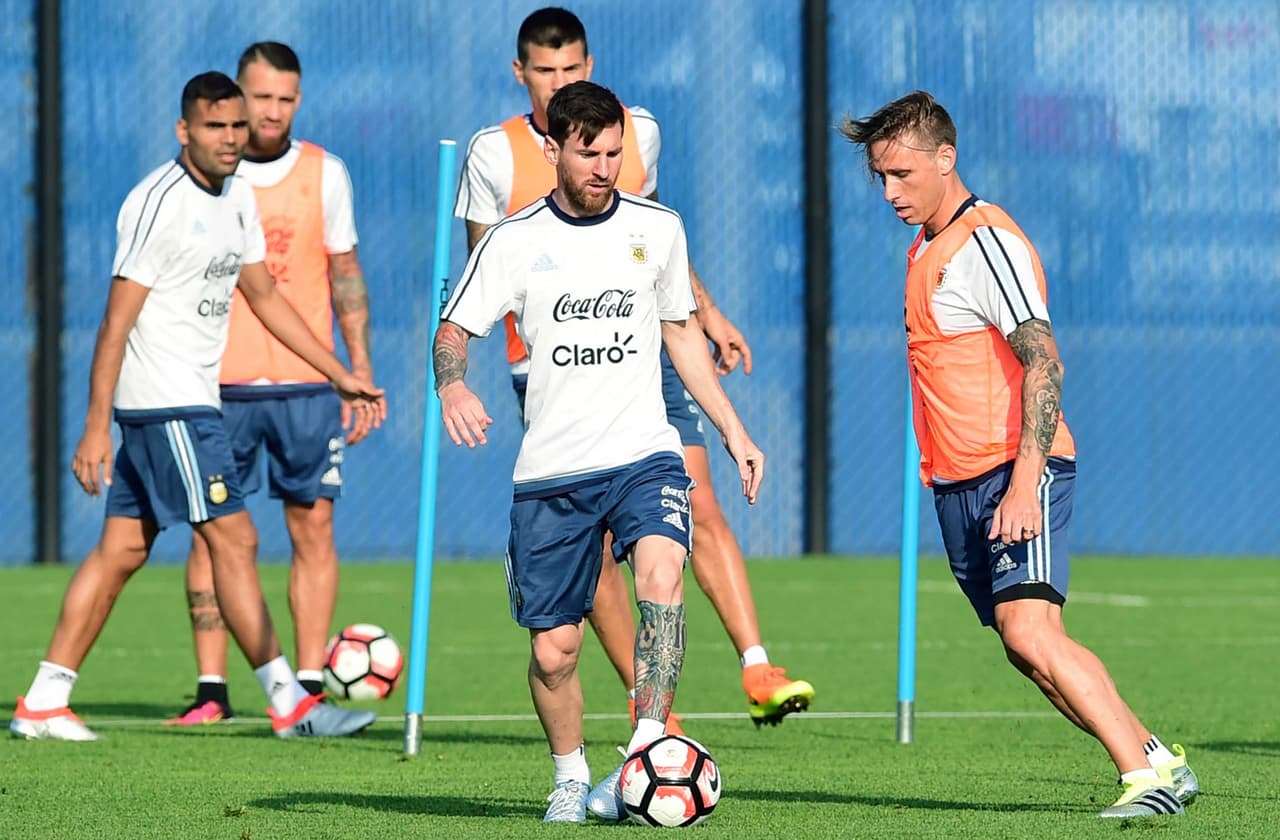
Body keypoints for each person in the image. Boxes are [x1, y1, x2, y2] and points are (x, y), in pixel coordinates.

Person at [839, 90, 1198, 819]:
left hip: (1015, 469)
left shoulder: (986, 242)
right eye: (880, 177)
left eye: (903, 173)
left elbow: (1044, 362)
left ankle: (1143, 778)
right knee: (1021, 646)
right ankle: (1158, 757)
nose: (890, 191)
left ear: (947, 158)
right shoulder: (927, 246)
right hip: (960, 482)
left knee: (1031, 630)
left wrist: (1024, 482)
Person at [454, 4, 812, 730]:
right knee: (595, 551)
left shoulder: (636, 130)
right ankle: (643, 698)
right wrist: (461, 373)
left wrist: (708, 314)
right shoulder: (493, 154)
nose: (559, 82)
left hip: (648, 352)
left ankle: (754, 666)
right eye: (545, 70)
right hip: (553, 373)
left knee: (693, 503)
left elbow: (647, 247)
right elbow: (485, 270)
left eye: (572, 68)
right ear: (521, 74)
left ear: (590, 65)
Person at [9, 72, 383, 742]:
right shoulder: (159, 202)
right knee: (235, 538)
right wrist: (95, 426)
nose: (231, 138)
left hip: (184, 403)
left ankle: (44, 701)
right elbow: (115, 323)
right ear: (184, 131)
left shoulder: (237, 195)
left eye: (237, 126)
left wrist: (340, 374)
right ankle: (291, 705)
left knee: (123, 550)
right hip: (170, 405)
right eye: (215, 127)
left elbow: (265, 297)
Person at [436, 81, 763, 823]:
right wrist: (452, 386)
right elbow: (453, 330)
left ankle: (645, 751)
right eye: (589, 154)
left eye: (615, 153)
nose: (605, 167)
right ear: (553, 149)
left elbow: (680, 331)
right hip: (553, 473)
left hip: (643, 453)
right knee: (554, 651)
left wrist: (733, 430)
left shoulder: (658, 228)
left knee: (662, 574)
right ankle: (569, 776)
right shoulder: (514, 240)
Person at [168, 42, 374, 726]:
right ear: (237, 95)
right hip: (215, 385)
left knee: (313, 527)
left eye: (286, 98)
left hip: (305, 386)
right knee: (211, 534)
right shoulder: (205, 177)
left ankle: (308, 683)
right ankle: (211, 689)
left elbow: (346, 276)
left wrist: (357, 370)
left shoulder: (325, 173)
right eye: (261, 97)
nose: (273, 111)